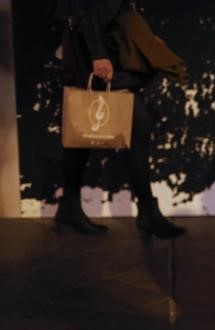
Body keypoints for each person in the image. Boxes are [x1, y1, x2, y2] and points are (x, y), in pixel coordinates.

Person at [55, 0, 186, 238]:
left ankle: (70, 205)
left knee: (89, 128)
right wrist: (98, 54)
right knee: (133, 122)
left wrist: (143, 39)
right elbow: (85, 7)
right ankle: (146, 211)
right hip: (93, 41)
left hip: (108, 38)